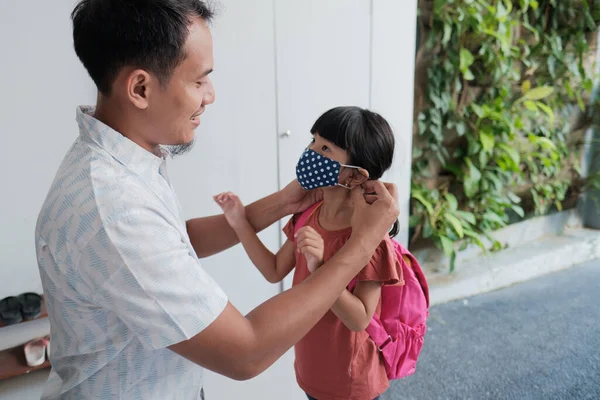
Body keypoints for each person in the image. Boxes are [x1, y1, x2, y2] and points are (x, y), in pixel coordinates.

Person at [34, 1, 399, 399]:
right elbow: (246, 352)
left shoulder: (127, 159)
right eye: (198, 81)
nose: (210, 96)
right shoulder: (114, 208)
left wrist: (279, 204)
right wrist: (362, 241)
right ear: (140, 88)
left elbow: (173, 242)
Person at [215, 107, 401, 400]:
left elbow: (361, 319)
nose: (311, 152)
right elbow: (273, 269)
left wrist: (320, 268)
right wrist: (240, 222)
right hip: (312, 368)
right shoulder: (309, 214)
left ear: (354, 177)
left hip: (350, 383)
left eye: (325, 148)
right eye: (313, 141)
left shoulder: (370, 237)